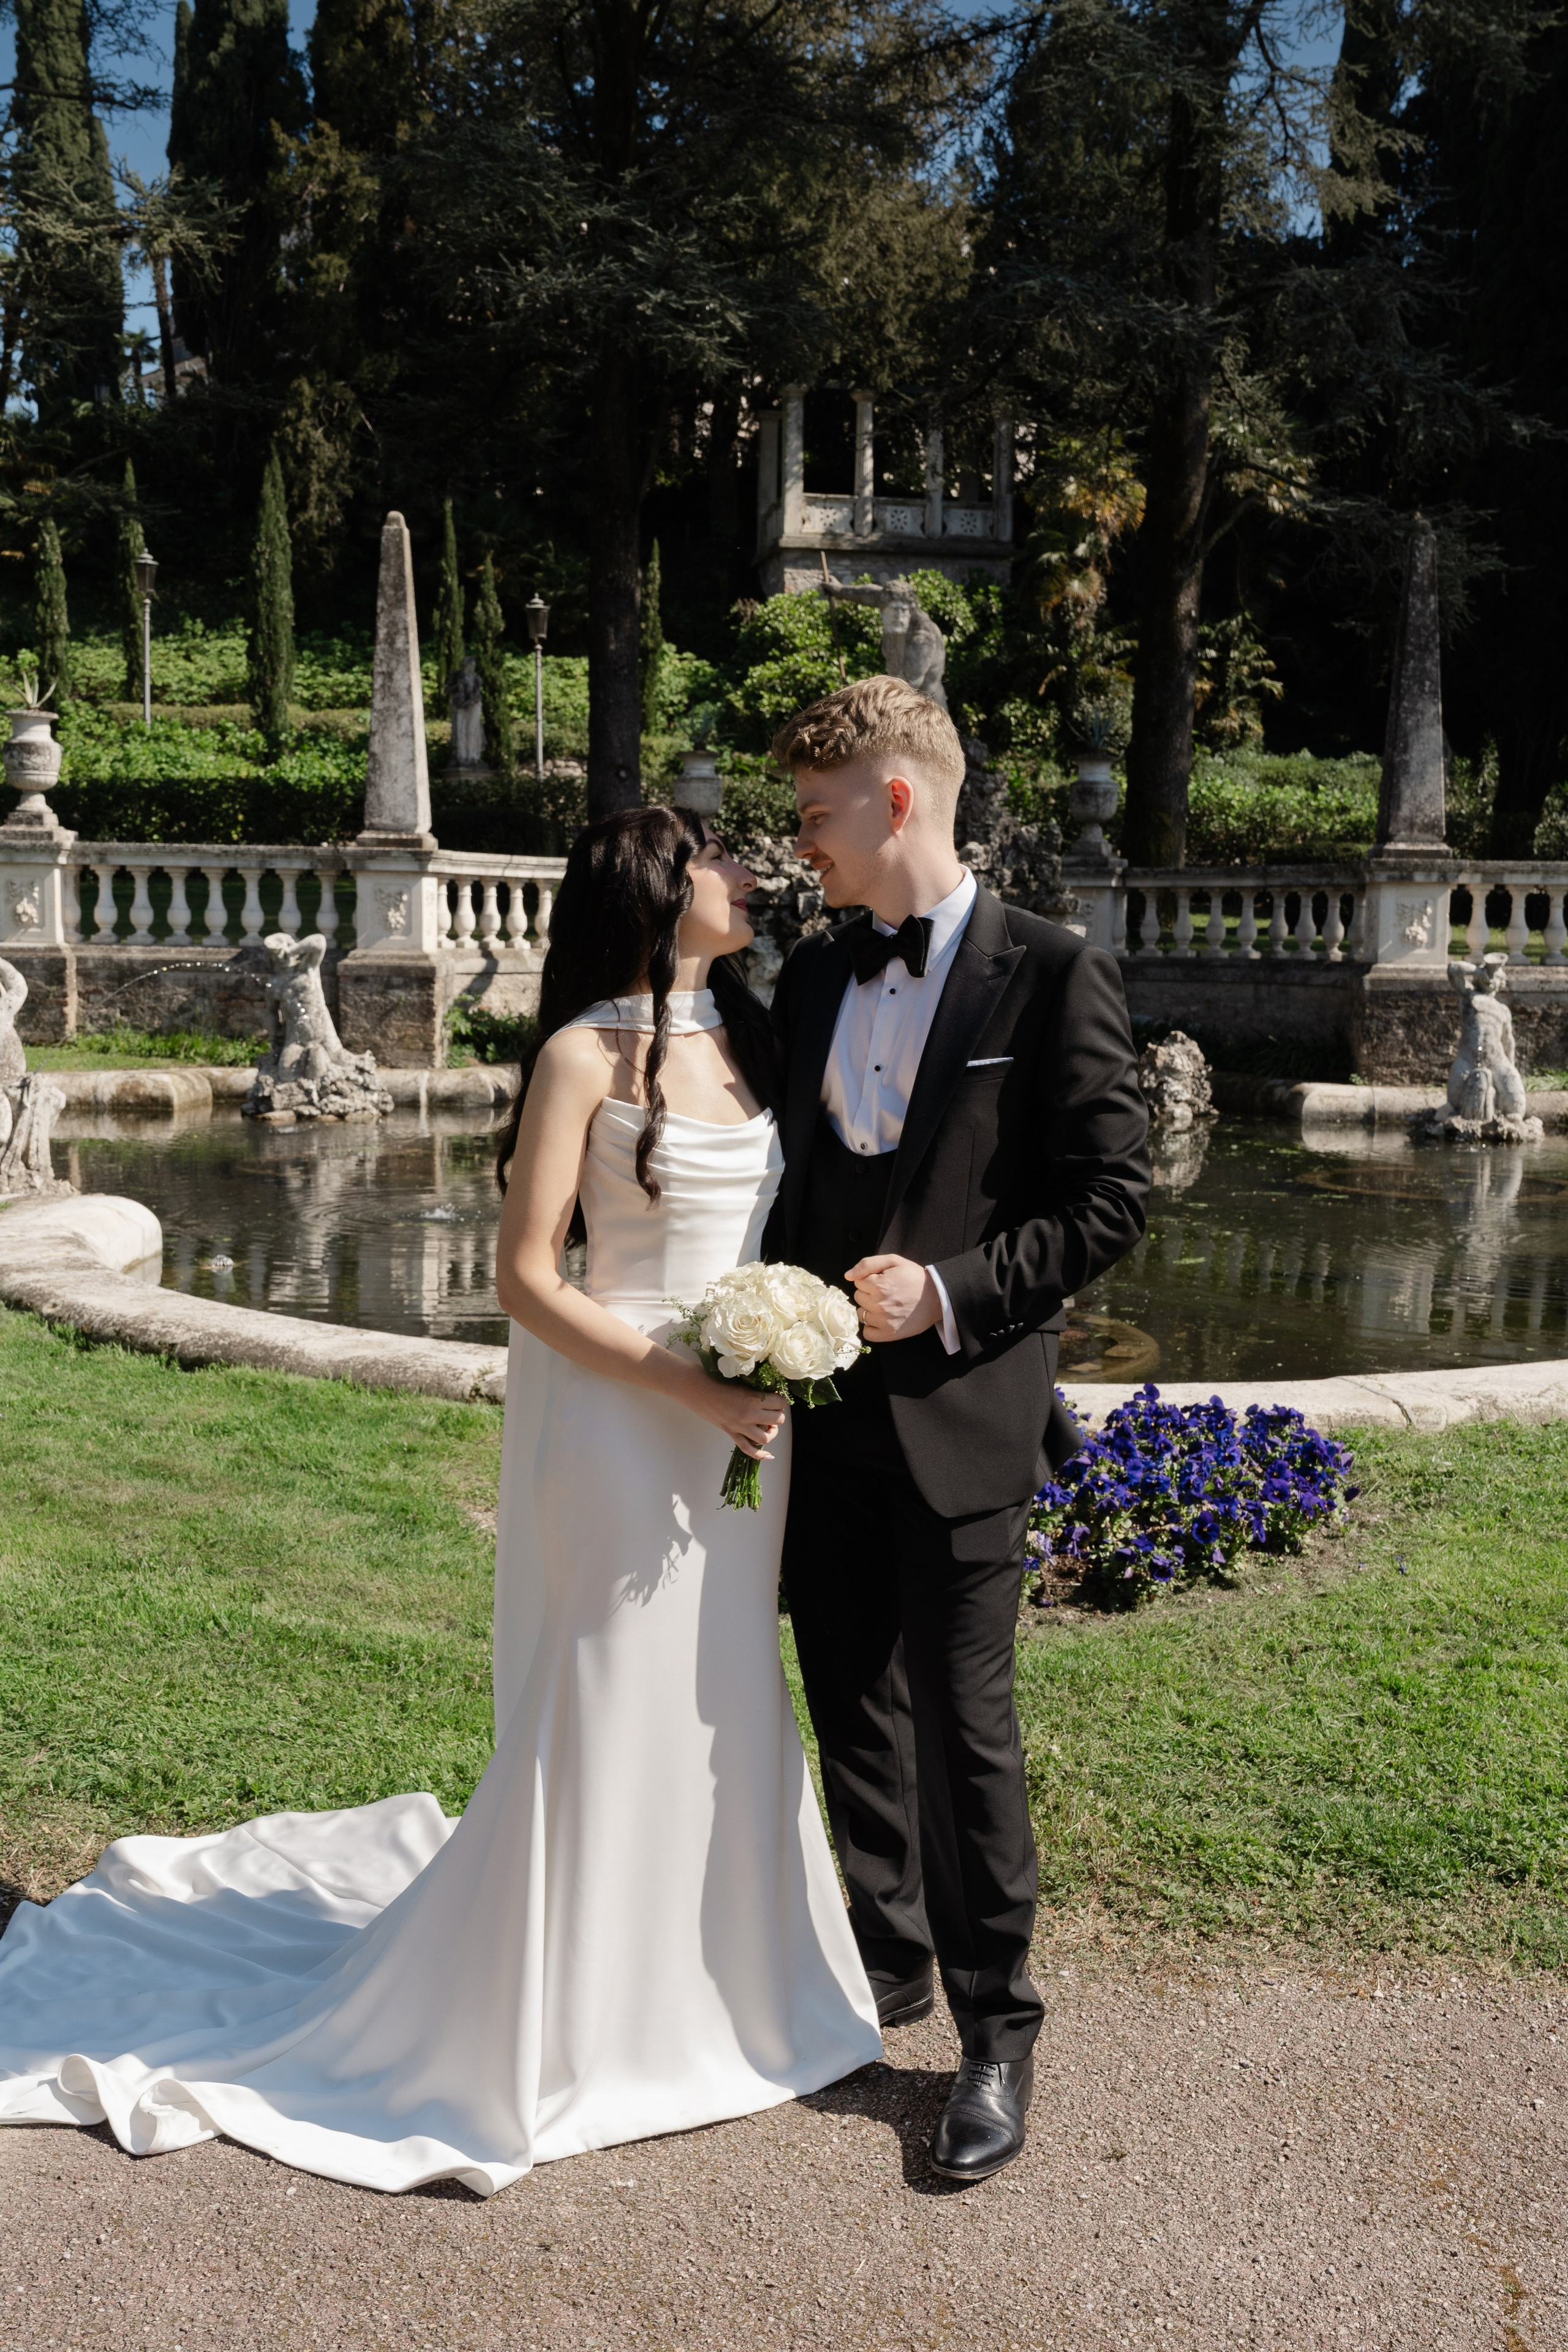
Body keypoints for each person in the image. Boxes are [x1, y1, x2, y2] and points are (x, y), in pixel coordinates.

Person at [0, 807, 880, 2195]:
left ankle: (715, 1990)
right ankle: (565, 2014)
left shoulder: (755, 1037)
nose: (744, 871)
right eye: (714, 854)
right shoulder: (583, 1055)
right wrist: (687, 1383)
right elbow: (532, 1275)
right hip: (622, 1415)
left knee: (720, 1693)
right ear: (656, 891)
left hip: (743, 1432)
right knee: (605, 1689)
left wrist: (778, 1354)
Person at [768, 675, 1149, 2183]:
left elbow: (1110, 1198)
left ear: (898, 800)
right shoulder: (809, 976)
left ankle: (997, 2032)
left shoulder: (1048, 972)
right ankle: (891, 1959)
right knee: (848, 1704)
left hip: (962, 1413)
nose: (804, 845)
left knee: (964, 1730)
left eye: (816, 818)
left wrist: (947, 1290)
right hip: (818, 1416)